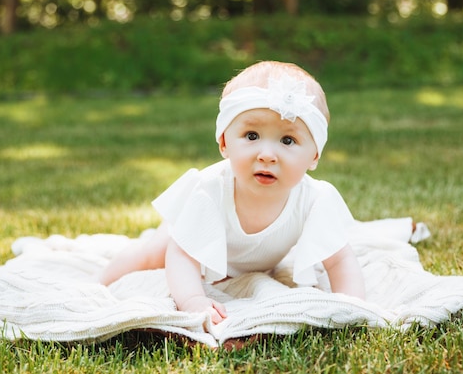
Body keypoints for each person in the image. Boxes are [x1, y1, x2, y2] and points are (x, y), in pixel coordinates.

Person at [99, 60, 401, 325]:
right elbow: (183, 255)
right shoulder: (209, 190)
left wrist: (353, 306)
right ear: (224, 143)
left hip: (255, 260)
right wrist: (193, 300)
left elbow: (339, 260)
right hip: (190, 236)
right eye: (252, 136)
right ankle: (99, 283)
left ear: (314, 156)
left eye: (287, 140)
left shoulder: (316, 199)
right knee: (154, 253)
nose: (267, 154)